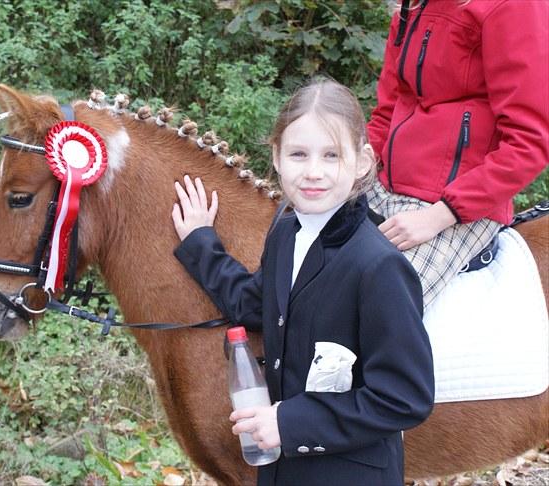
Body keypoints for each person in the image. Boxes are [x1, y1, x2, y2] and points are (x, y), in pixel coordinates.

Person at [171, 79, 434, 486]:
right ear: (276, 157)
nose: (314, 172)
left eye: (331, 156)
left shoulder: (379, 266)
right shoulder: (286, 232)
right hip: (283, 472)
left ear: (362, 161)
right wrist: (201, 243)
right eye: (298, 154)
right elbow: (255, 305)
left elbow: (404, 398)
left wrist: (288, 422)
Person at [367, 0, 549, 306]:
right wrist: (351, 166)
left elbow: (529, 141)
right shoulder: (415, 4)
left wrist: (439, 215)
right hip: (386, 185)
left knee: (373, 305)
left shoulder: (514, 6)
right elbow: (388, 110)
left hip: (458, 209)